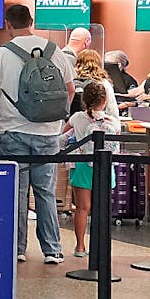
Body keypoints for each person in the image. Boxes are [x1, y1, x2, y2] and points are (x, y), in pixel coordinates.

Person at [0, 4, 75, 264]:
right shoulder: (55, 51)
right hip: (48, 133)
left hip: (12, 130)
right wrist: (58, 116)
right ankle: (52, 250)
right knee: (45, 192)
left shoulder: (1, 54)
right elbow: (71, 90)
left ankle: (17, 247)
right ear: (32, 21)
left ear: (7, 25)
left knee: (16, 191)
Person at [63, 82, 120, 258]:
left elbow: (64, 135)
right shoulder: (113, 121)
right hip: (104, 166)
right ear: (104, 100)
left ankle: (80, 246)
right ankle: (101, 245)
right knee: (102, 207)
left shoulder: (77, 117)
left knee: (82, 207)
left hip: (82, 164)